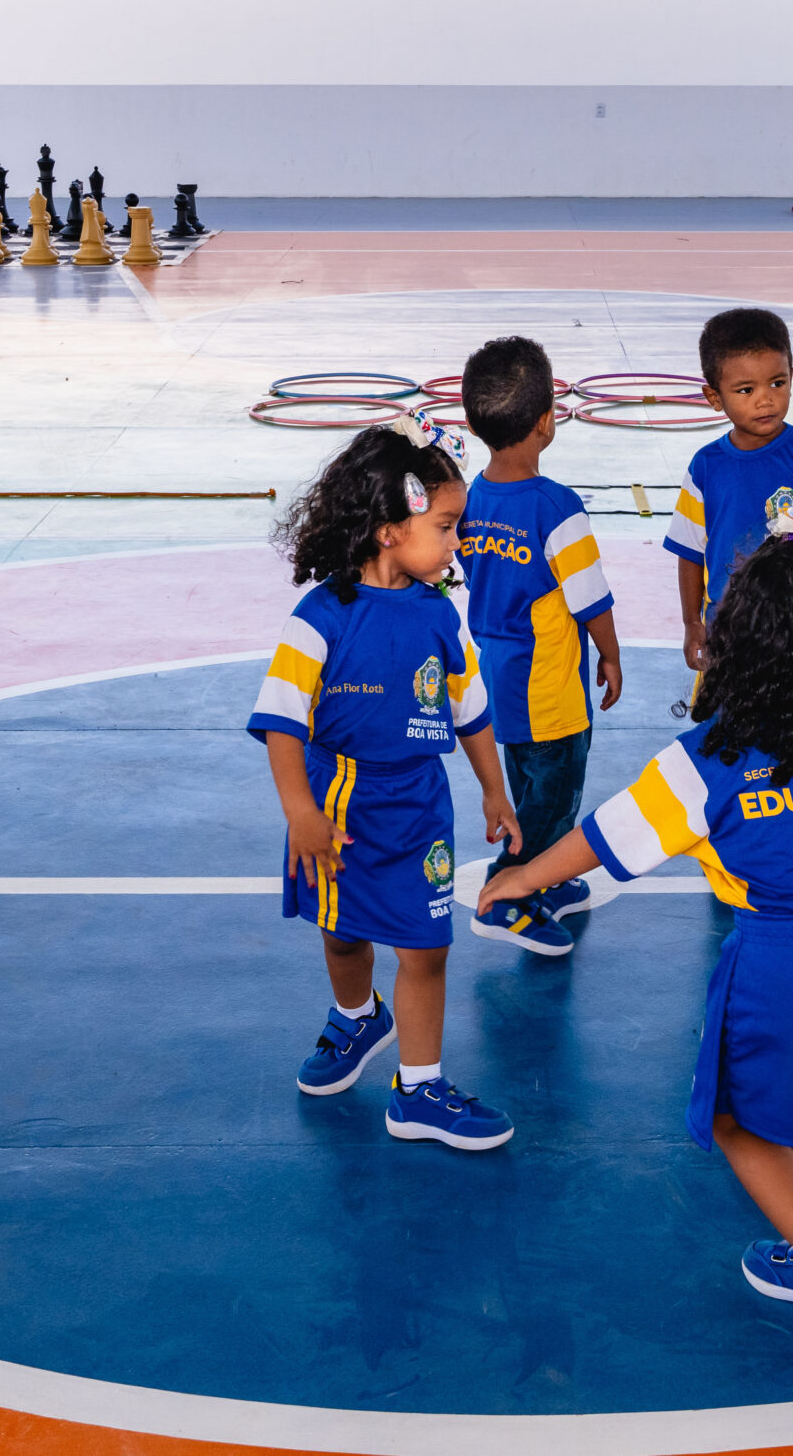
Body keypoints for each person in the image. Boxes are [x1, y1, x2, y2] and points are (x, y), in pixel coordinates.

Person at [481, 516, 793, 1371]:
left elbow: (603, 837)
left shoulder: (710, 757)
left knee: (739, 1119)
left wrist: (523, 876)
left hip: (780, 958)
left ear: (733, 646)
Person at [248, 414, 524, 1149]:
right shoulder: (321, 617)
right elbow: (281, 722)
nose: (459, 541)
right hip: (340, 807)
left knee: (427, 947)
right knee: (343, 935)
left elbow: (470, 709)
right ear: (389, 528)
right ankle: (356, 1016)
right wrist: (301, 811)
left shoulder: (441, 616)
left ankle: (420, 1088)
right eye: (447, 524)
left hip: (420, 805)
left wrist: (495, 790)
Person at [454, 337, 623, 958]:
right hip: (550, 685)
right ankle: (510, 893)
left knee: (529, 779)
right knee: (554, 795)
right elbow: (591, 597)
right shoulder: (557, 506)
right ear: (547, 421)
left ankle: (549, 875)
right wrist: (608, 654)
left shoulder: (471, 498)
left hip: (500, 677)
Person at [666, 308, 793, 672]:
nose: (765, 399)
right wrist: (692, 624)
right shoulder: (705, 467)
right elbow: (690, 553)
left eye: (778, 383)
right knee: (726, 722)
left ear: (792, 376)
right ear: (714, 397)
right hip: (728, 631)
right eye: (746, 390)